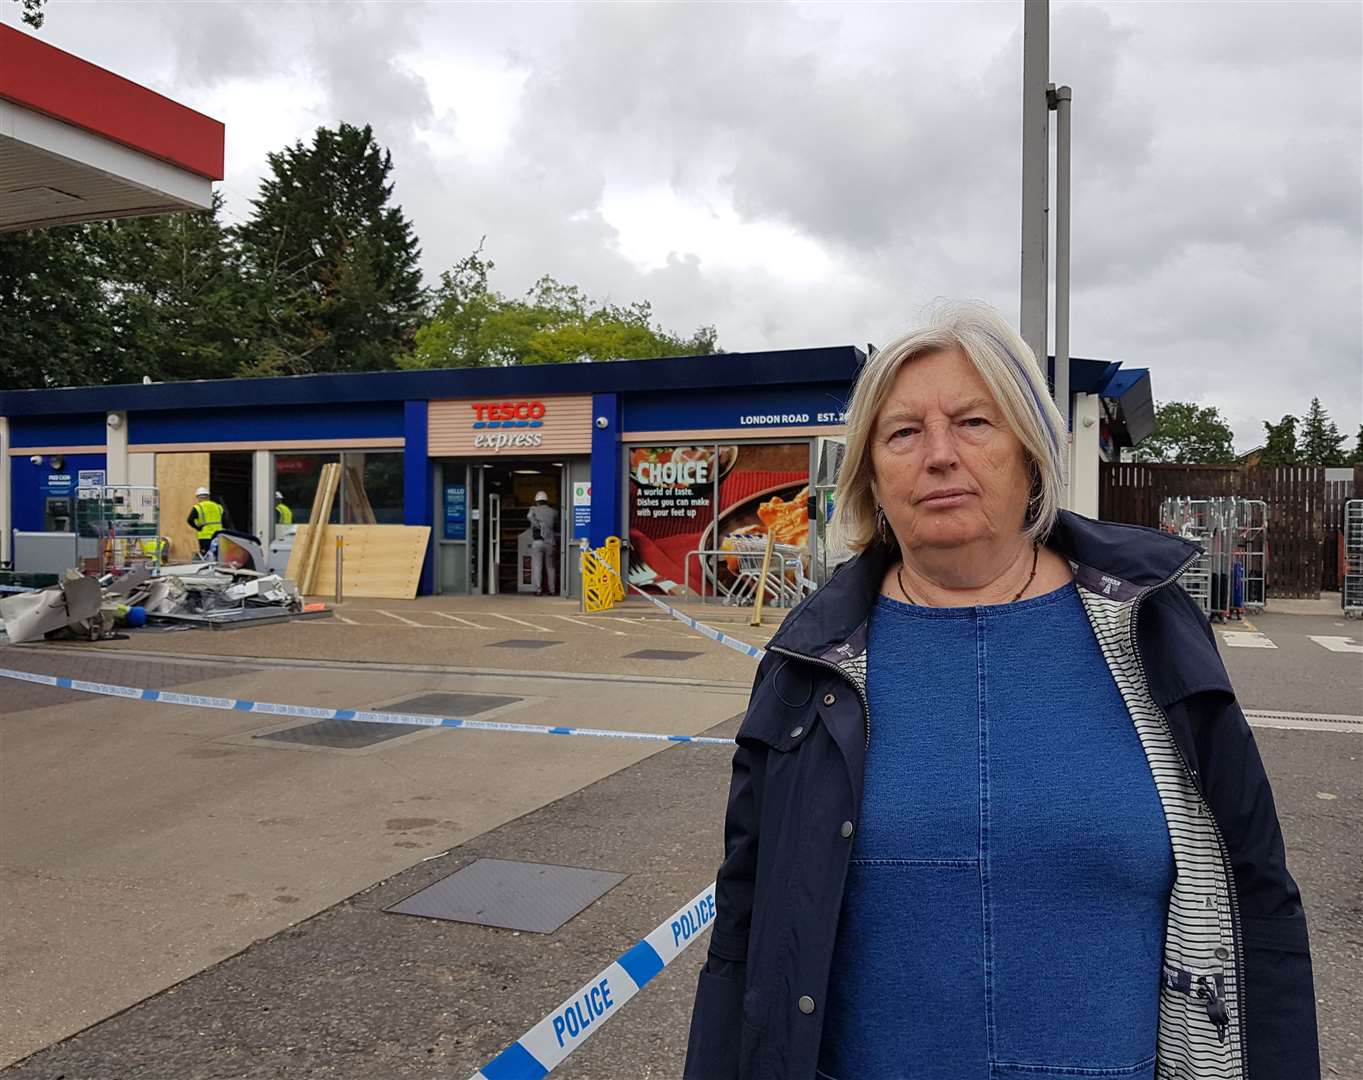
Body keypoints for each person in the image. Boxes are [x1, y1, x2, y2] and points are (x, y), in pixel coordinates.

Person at [683, 302, 1317, 1080]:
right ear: (871, 476)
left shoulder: (1147, 625)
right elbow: (747, 924)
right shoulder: (809, 660)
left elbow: (1256, 893)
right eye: (902, 432)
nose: (939, 455)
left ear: (1029, 452)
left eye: (974, 422)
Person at [527, 490, 558, 596]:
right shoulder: (553, 511)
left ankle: (538, 590)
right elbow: (557, 523)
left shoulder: (534, 510)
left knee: (537, 566)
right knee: (550, 567)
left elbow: (529, 517)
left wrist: (536, 524)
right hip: (550, 542)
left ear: (537, 501)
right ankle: (552, 590)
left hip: (537, 542)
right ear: (546, 501)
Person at [187, 486, 227, 555]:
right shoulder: (218, 506)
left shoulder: (198, 507)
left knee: (206, 555)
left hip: (205, 536)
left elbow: (190, 520)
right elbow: (224, 520)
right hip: (218, 535)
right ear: (208, 496)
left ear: (198, 497)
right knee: (218, 555)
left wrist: (198, 528)